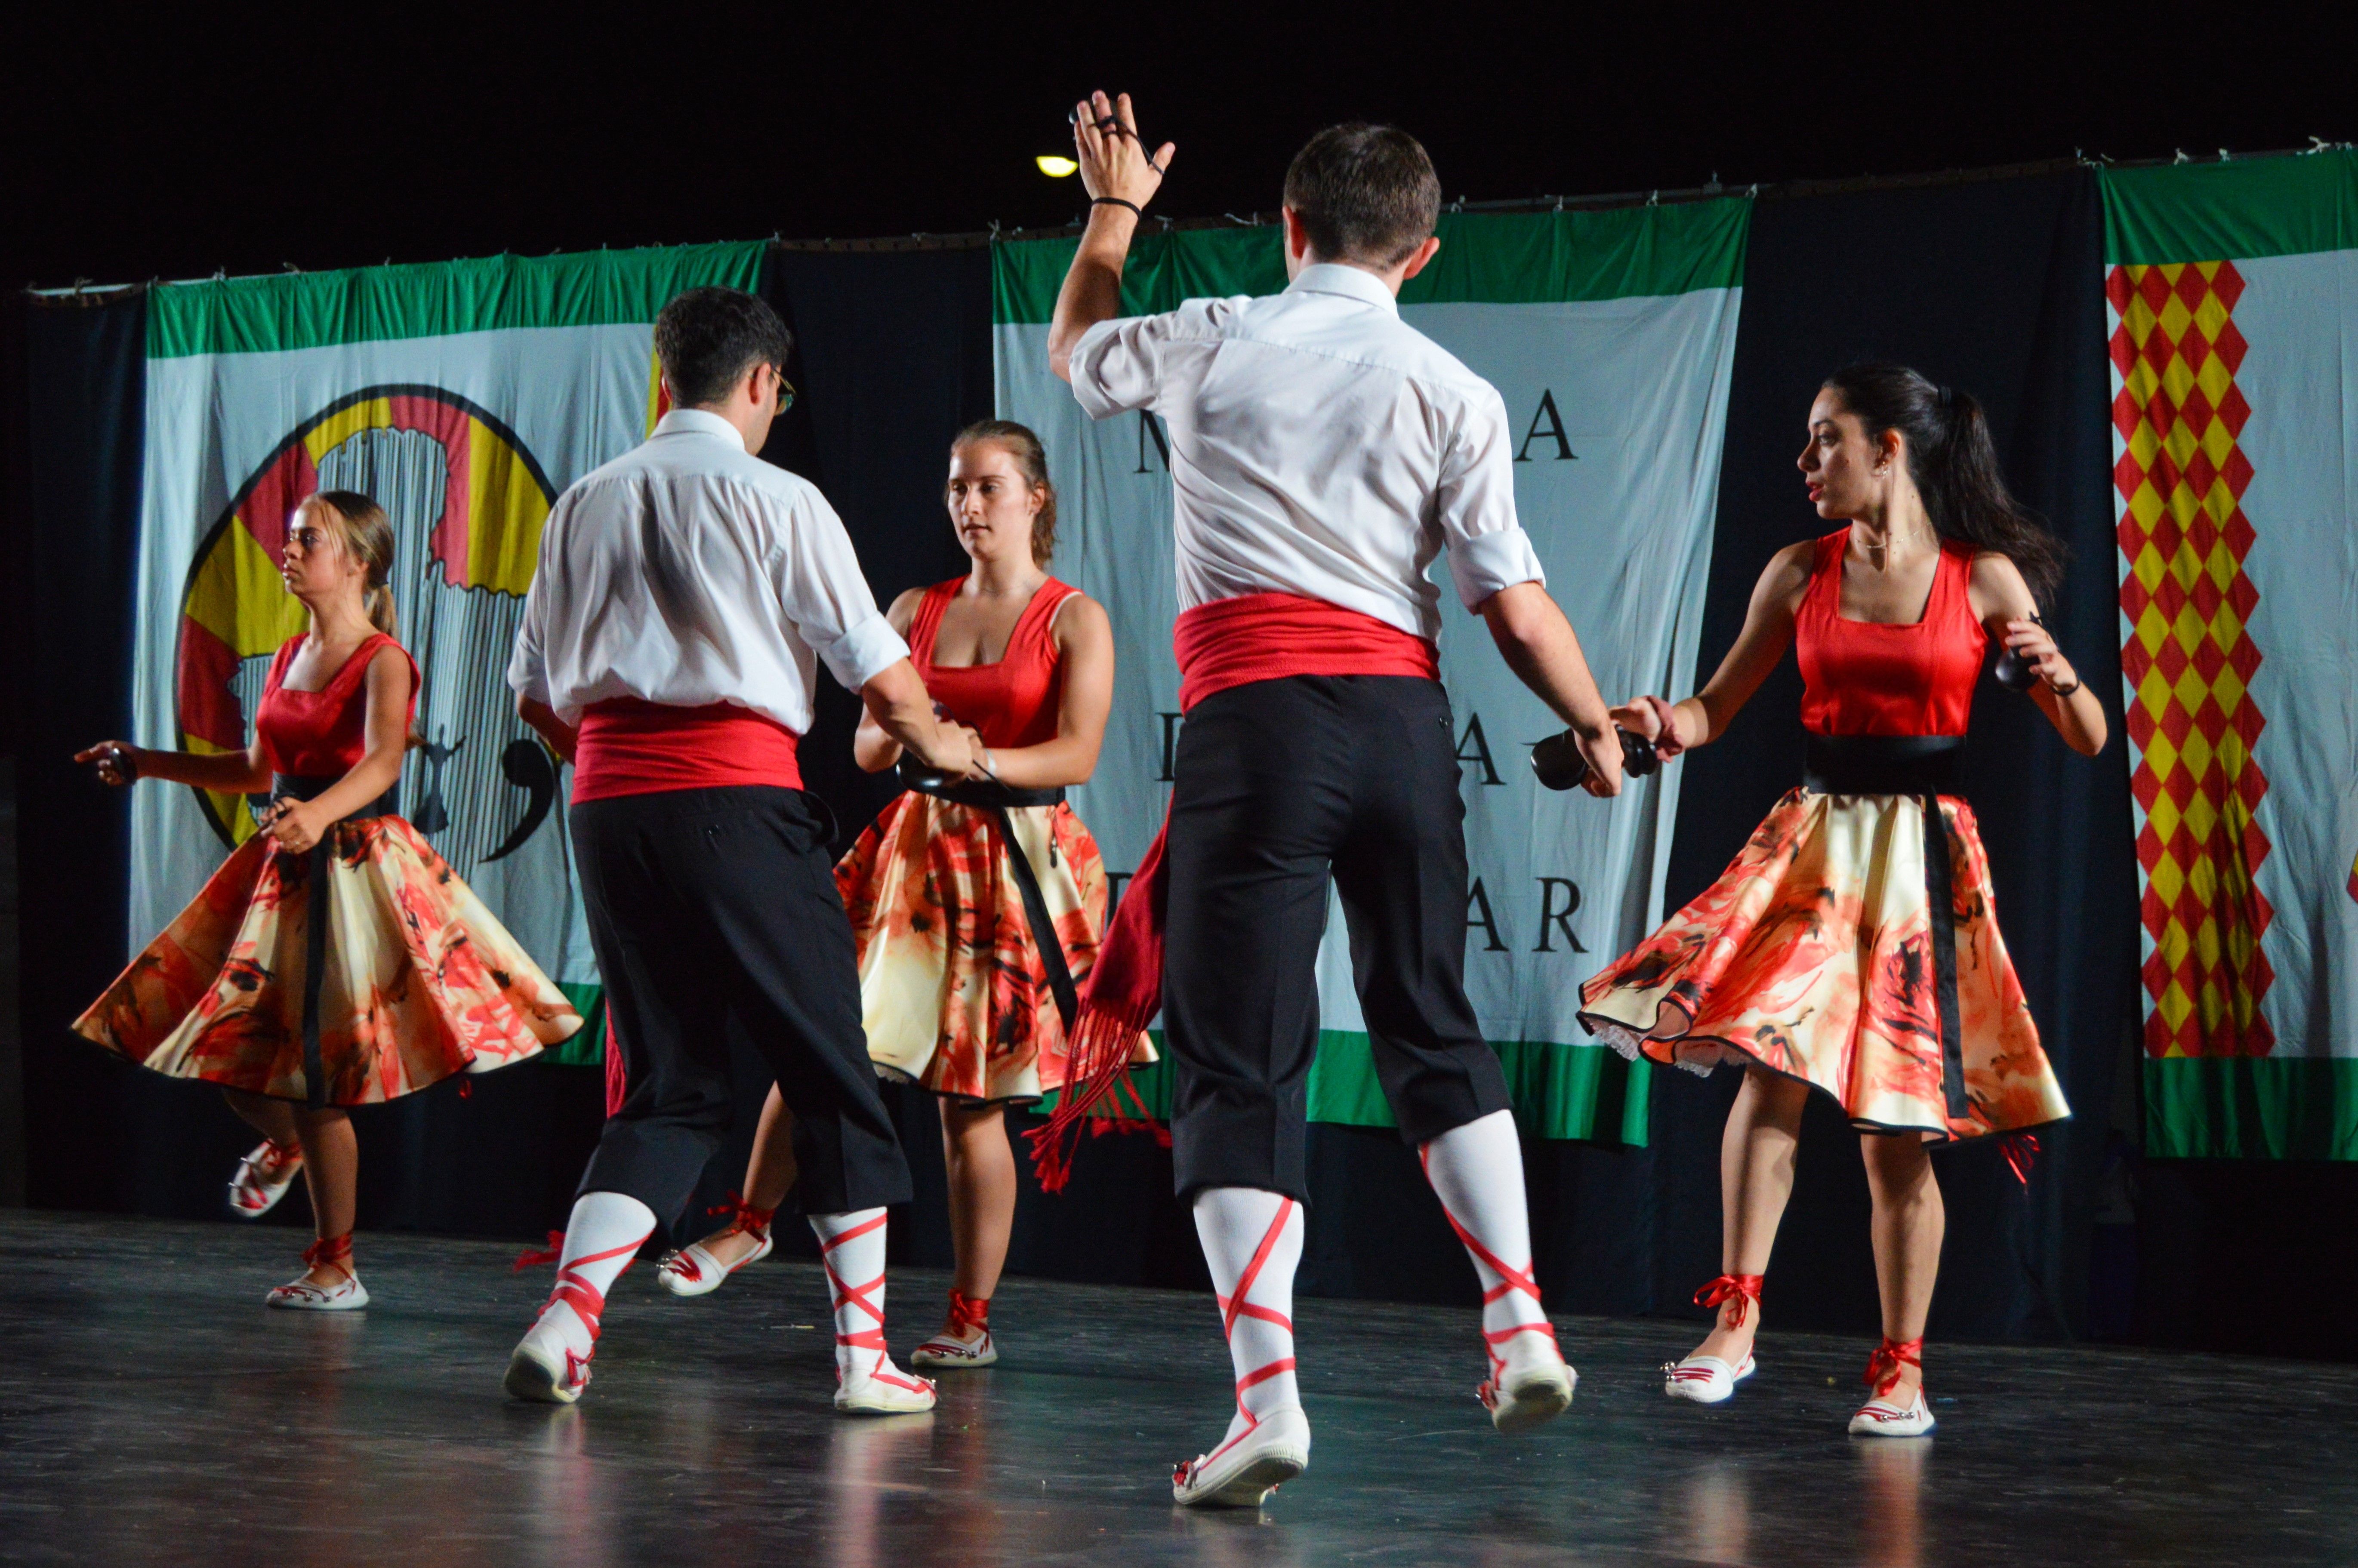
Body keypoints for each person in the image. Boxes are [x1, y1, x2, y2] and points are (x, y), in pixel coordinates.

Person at [1047, 97, 1626, 1508]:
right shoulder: (1455, 388)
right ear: (1422, 254)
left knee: (1241, 1061)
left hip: (1261, 725)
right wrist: (1595, 722)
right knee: (1431, 1019)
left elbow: (1074, 357)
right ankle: (1519, 1315)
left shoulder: (1214, 336)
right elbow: (1512, 602)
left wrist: (1113, 214)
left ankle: (1267, 1404)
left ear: (1288, 227)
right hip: (1402, 727)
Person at [1580, 364, 2107, 1437]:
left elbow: (2088, 735)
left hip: (1920, 864)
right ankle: (1734, 1321)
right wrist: (1654, 725)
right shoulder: (1795, 571)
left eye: (1826, 440)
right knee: (1767, 1067)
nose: (1805, 461)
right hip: (1816, 843)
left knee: (1892, 1129)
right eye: (1807, 440)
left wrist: (2055, 671)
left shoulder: (1984, 579)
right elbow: (1713, 708)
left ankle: (1900, 1371)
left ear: (1888, 450)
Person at [503, 285, 977, 1414]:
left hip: (609, 807)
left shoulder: (583, 500)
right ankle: (863, 1358)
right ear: (760, 383)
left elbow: (532, 694)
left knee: (670, 1087)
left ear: (664, 374)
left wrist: (628, 765)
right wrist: (947, 742)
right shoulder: (780, 495)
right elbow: (878, 668)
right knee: (832, 1074)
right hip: (736, 801)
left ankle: (569, 1319)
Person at [654, 419, 1151, 1373]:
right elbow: (866, 748)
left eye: (988, 487)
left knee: (970, 1106)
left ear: (1035, 498)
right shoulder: (915, 605)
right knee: (819, 1041)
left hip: (1015, 858)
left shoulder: (1072, 616)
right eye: (957, 487)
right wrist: (910, 732)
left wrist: (972, 753)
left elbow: (1078, 754)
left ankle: (969, 1316)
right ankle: (750, 1222)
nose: (969, 505)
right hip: (914, 852)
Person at [74, 492, 579, 1308]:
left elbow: (383, 763)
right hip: (287, 867)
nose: (290, 547)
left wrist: (316, 812)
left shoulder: (382, 658)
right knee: (237, 1059)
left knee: (317, 1079)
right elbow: (251, 769)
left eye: (310, 538)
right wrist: (146, 762)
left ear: (359, 563)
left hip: (351, 868)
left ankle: (337, 1265)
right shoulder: (283, 657)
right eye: (293, 536)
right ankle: (291, 1151)